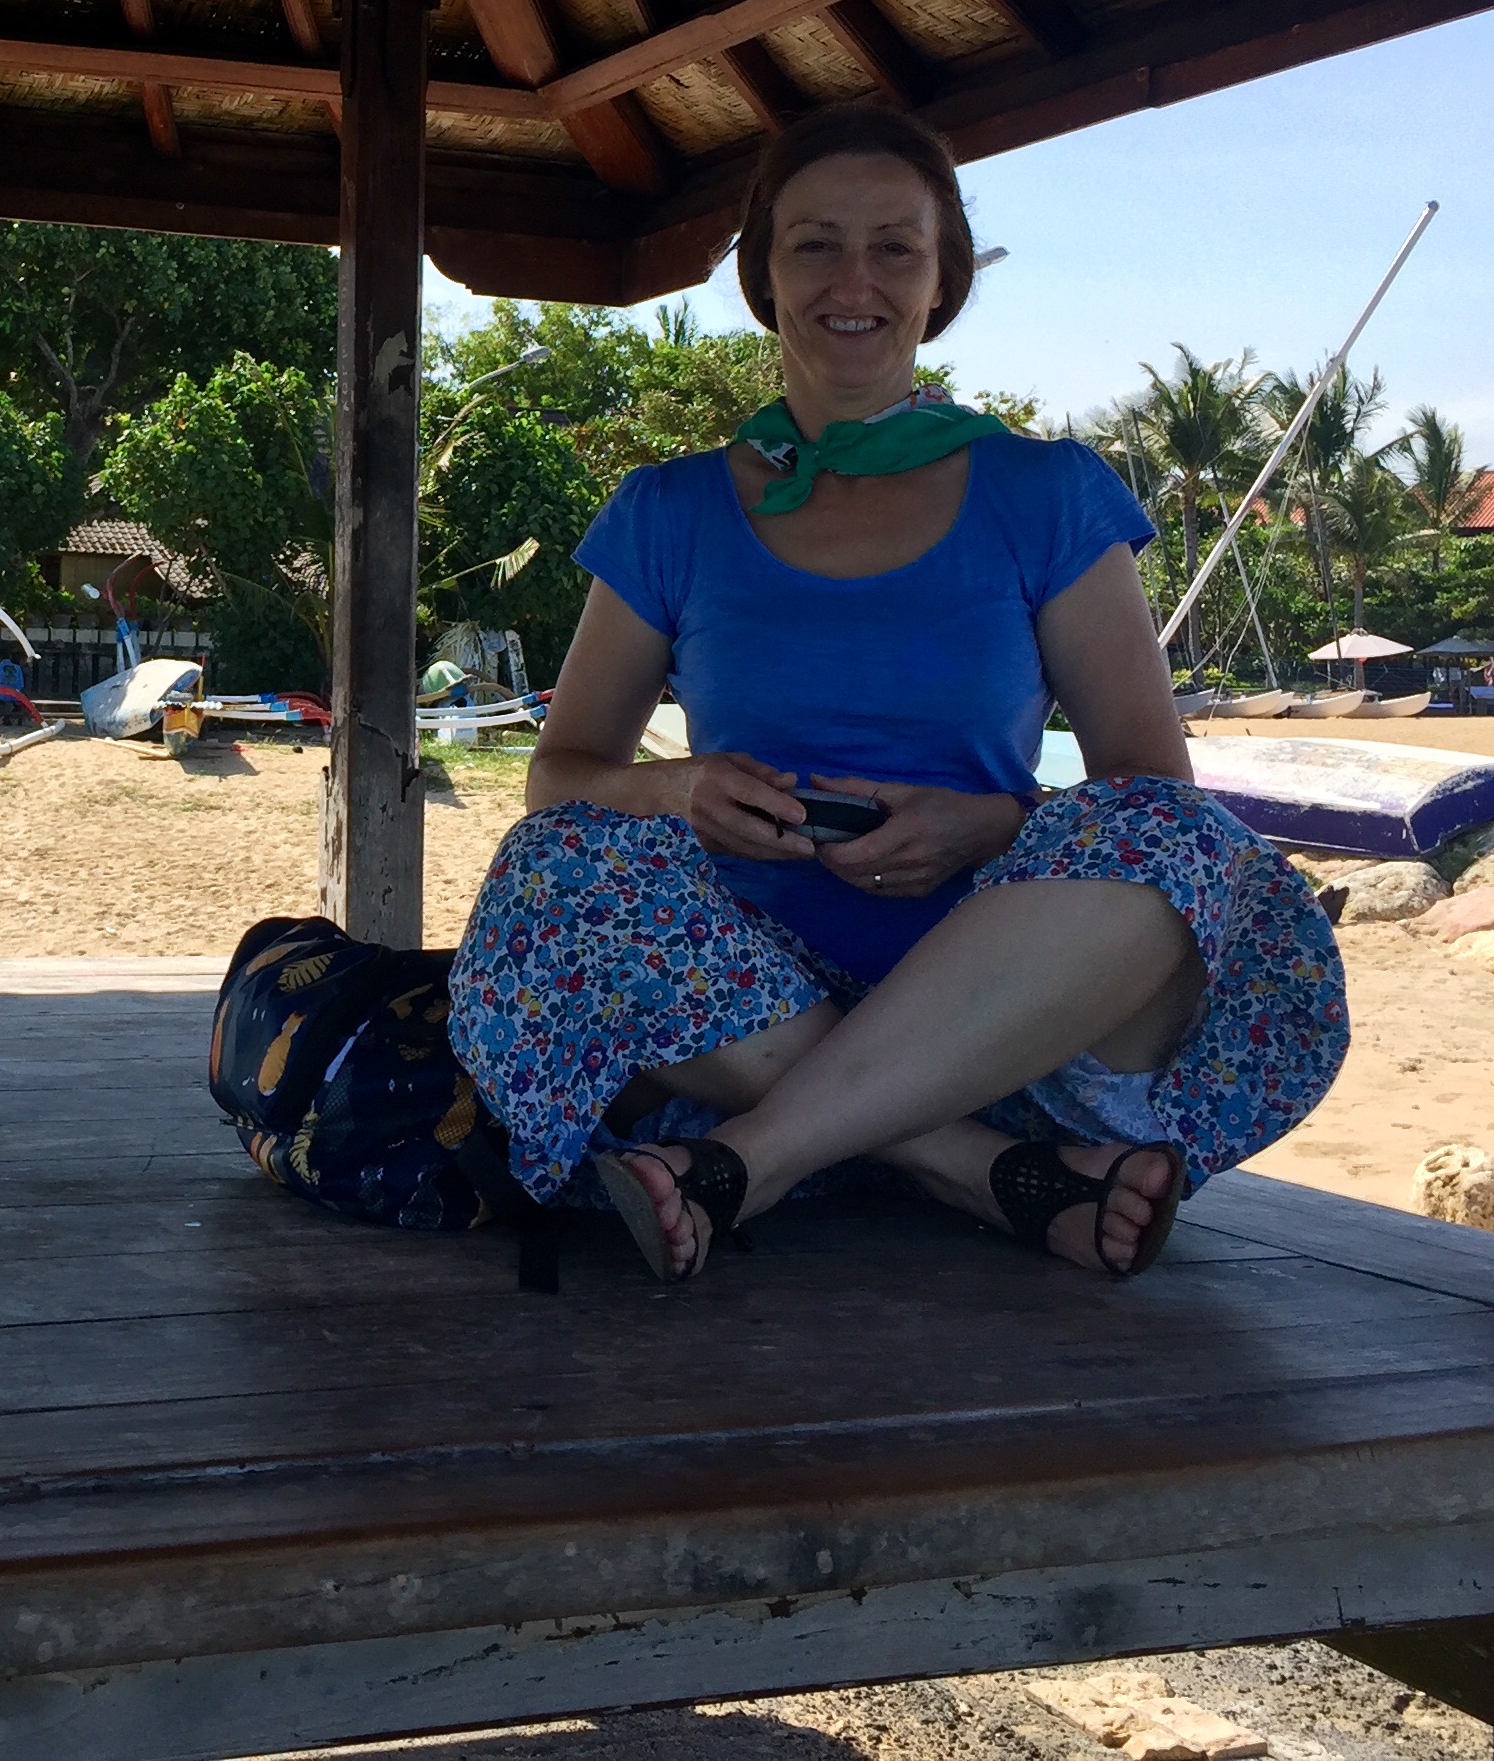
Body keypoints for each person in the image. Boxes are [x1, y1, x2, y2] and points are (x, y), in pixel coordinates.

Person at [446, 106, 1347, 1284]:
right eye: (816, 244)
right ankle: (978, 1171)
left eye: (894, 248)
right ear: (766, 277)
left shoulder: (1047, 492)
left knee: (1181, 835)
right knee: (552, 863)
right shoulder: (668, 511)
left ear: (941, 280)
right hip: (738, 1018)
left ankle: (760, 1156)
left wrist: (996, 824)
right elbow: (559, 775)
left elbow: (1146, 784)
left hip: (1017, 1027)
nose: (853, 281)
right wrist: (680, 789)